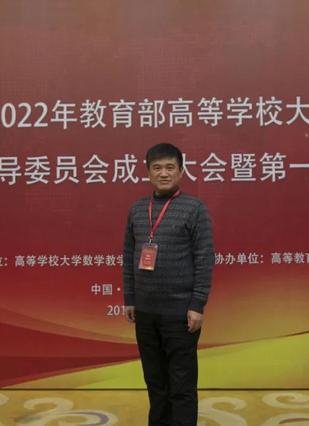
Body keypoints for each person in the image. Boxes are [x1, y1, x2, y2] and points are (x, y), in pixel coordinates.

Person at [122, 143, 214, 426]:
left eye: (170, 167)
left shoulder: (195, 209)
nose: (163, 173)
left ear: (181, 171)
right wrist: (130, 298)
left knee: (182, 384)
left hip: (180, 314)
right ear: (148, 172)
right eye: (157, 168)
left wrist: (197, 305)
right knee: (155, 382)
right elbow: (128, 255)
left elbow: (204, 259)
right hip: (146, 313)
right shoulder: (138, 209)